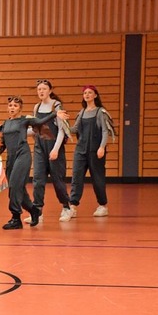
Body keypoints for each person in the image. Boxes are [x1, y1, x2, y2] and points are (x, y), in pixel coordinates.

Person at [0, 96, 68, 230]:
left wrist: (55, 114)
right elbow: (2, 144)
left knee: (14, 186)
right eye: (10, 105)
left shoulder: (25, 120)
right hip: (11, 158)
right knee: (19, 189)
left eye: (15, 106)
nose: (12, 108)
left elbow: (40, 121)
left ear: (20, 108)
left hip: (22, 156)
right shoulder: (5, 124)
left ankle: (15, 218)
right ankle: (34, 210)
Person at [26, 80, 73, 224]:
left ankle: (66, 207)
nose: (41, 91)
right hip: (40, 147)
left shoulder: (56, 106)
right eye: (39, 89)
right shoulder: (36, 107)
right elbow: (35, 130)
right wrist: (18, 130)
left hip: (53, 147)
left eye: (44, 89)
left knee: (58, 180)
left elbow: (61, 130)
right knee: (38, 180)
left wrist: (56, 149)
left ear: (50, 90)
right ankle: (37, 212)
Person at [69, 85, 110, 217]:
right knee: (76, 177)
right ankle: (73, 206)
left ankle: (102, 205)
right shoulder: (81, 113)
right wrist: (61, 125)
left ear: (95, 95)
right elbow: (74, 129)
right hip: (80, 150)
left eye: (90, 93)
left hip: (95, 150)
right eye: (85, 93)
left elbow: (105, 131)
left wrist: (102, 147)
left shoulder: (100, 112)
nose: (87, 95)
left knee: (97, 178)